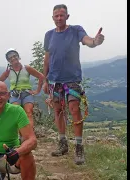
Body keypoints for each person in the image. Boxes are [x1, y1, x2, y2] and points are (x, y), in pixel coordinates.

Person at [42, 4, 104, 165]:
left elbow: (88, 41)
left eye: (62, 15)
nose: (59, 18)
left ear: (67, 16)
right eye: (56, 15)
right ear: (52, 18)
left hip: (72, 79)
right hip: (54, 80)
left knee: (74, 109)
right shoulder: (49, 35)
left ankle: (78, 146)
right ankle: (62, 143)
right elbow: (47, 58)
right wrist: (45, 79)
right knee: (58, 111)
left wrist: (95, 41)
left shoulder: (76, 30)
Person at [0, 48, 45, 128]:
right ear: (8, 60)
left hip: (27, 93)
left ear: (18, 56)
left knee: (29, 112)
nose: (13, 58)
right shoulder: (8, 71)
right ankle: (19, 134)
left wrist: (37, 91)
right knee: (16, 112)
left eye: (14, 56)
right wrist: (4, 92)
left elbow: (41, 76)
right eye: (10, 57)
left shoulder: (26, 68)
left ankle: (30, 134)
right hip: (14, 94)